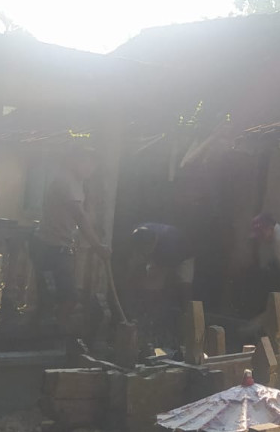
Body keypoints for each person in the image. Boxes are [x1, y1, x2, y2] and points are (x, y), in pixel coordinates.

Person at [30, 145, 109, 326]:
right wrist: (98, 247)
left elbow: (85, 216)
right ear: (75, 162)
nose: (91, 169)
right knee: (61, 297)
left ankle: (51, 331)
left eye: (94, 165)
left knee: (63, 297)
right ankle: (49, 332)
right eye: (88, 163)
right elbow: (80, 217)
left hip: (60, 247)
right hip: (48, 246)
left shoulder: (78, 183)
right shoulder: (65, 181)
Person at [127, 223, 194, 343]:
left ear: (152, 244)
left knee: (184, 287)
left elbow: (162, 279)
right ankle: (143, 314)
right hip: (162, 252)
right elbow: (136, 262)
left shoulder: (169, 248)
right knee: (147, 280)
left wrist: (154, 301)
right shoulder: (140, 233)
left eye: (145, 250)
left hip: (184, 256)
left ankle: (188, 323)